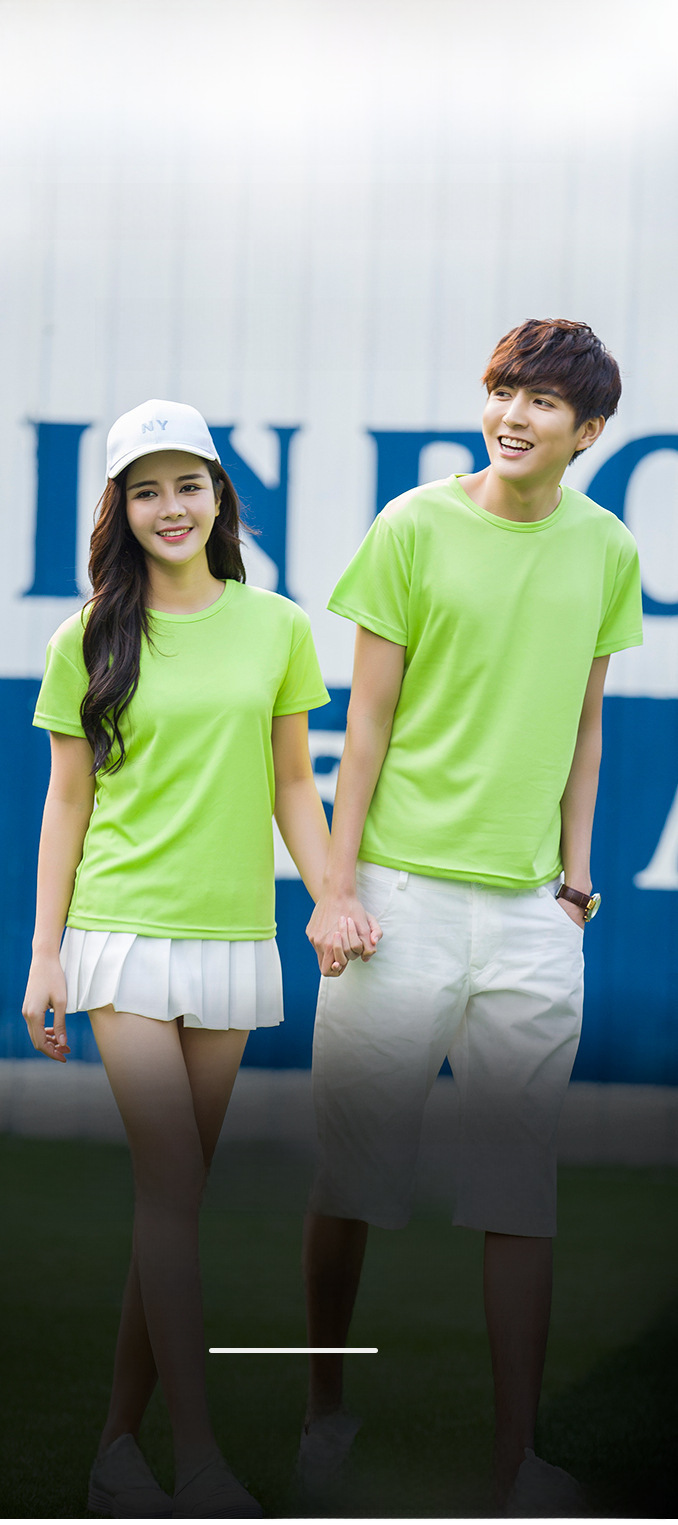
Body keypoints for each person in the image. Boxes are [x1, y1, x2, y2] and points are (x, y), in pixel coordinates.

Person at [302, 320, 643, 1512]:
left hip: (534, 919)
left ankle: (514, 1461)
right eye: (503, 390)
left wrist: (575, 881)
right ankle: (322, 1411)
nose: (512, 414)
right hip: (393, 901)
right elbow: (366, 725)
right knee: (350, 1182)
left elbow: (585, 724)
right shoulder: (410, 526)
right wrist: (337, 888)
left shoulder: (607, 548)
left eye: (542, 402)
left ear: (586, 432)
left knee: (518, 1189)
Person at [22, 399, 331, 1519]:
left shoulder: (278, 626)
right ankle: (197, 1461)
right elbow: (67, 803)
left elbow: (293, 785)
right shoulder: (85, 637)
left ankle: (116, 1448)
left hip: (234, 939)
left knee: (176, 1200)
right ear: (121, 508)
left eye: (187, 485)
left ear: (217, 495)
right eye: (146, 490)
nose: (171, 508)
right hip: (119, 935)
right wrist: (45, 955)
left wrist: (334, 896)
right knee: (170, 1183)